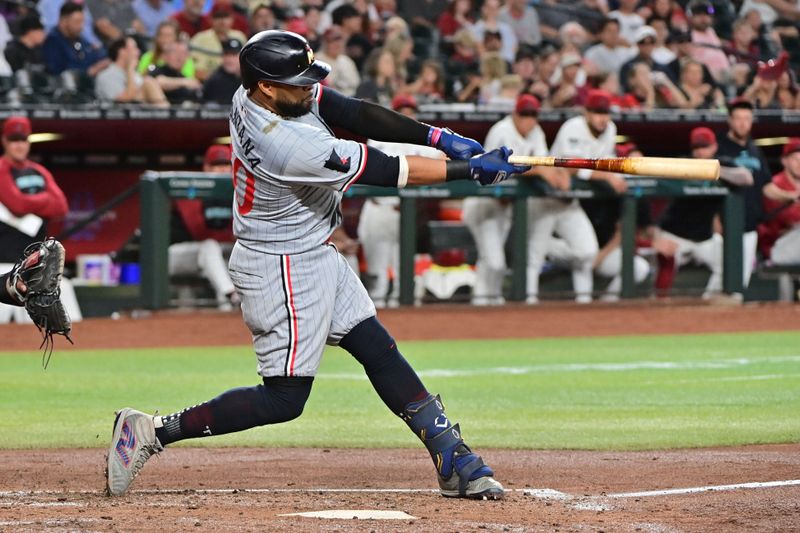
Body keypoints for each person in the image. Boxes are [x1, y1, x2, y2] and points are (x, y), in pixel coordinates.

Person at [106, 29, 529, 500]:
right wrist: (469, 170)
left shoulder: (259, 92)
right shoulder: (286, 143)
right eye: (299, 81)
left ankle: (453, 457)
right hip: (280, 265)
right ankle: (151, 431)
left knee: (378, 348)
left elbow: (350, 110)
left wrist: (439, 136)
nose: (309, 88)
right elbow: (390, 170)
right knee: (285, 399)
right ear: (266, 85)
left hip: (311, 249)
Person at [527, 90, 627, 304]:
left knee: (586, 252)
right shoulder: (572, 128)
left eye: (605, 112)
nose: (602, 118)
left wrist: (611, 175)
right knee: (533, 258)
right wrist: (607, 177)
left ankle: (584, 306)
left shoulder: (610, 129)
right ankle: (528, 306)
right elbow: (571, 167)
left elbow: (606, 163)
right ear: (586, 112)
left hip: (568, 202)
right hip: (546, 197)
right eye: (597, 112)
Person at [462, 93, 557, 305]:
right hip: (483, 203)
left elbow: (542, 163)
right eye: (525, 114)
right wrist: (540, 172)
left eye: (533, 115)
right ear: (515, 114)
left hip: (503, 206)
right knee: (494, 263)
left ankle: (489, 306)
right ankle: (482, 306)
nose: (529, 120)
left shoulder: (536, 132)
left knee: (492, 263)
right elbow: (496, 168)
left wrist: (544, 172)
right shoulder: (501, 131)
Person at [358, 94, 443, 308]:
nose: (407, 115)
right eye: (402, 111)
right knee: (377, 276)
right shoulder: (377, 136)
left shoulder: (423, 139)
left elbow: (443, 160)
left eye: (410, 111)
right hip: (378, 210)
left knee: (403, 277)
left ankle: (406, 329)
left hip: (403, 213)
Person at [655, 126, 754, 298]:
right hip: (674, 234)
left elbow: (746, 178)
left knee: (730, 264)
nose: (700, 152)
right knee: (663, 268)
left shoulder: (721, 164)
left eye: (704, 147)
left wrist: (713, 171)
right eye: (697, 148)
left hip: (704, 238)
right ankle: (656, 307)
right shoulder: (683, 163)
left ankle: (709, 302)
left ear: (714, 146)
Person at [0, 117, 82, 324]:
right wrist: (44, 200)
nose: (19, 145)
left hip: (36, 261)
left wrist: (31, 202)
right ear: (4, 141)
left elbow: (61, 206)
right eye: (14, 140)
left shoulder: (39, 171)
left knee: (54, 322)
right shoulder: (2, 168)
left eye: (23, 139)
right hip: (4, 261)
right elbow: (15, 204)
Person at [168, 143, 240, 311]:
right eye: (216, 165)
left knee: (231, 254)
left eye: (226, 164)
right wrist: (228, 235)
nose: (222, 169)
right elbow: (198, 231)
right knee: (209, 246)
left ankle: (227, 305)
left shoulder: (236, 192)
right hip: (174, 255)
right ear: (206, 167)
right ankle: (231, 295)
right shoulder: (192, 189)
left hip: (213, 256)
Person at [715, 98, 772, 292]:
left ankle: (729, 318)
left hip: (749, 224)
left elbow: (766, 185)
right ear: (730, 120)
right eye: (738, 118)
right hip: (725, 223)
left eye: (747, 118)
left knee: (742, 278)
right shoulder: (719, 147)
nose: (742, 123)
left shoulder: (755, 150)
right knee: (722, 273)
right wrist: (715, 220)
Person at [759, 138, 800, 266]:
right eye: (795, 159)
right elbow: (787, 220)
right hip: (776, 247)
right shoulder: (775, 186)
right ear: (784, 161)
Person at [95, 36, 169, 105]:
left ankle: (168, 115)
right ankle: (169, 115)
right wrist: (130, 70)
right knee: (148, 82)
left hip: (140, 114)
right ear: (122, 51)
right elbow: (123, 101)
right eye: (134, 48)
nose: (138, 52)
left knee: (150, 81)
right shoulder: (106, 76)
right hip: (116, 115)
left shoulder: (135, 74)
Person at [42, 1, 109, 77]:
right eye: (77, 22)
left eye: (82, 22)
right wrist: (88, 71)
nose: (81, 27)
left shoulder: (78, 39)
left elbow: (93, 55)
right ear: (64, 21)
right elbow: (57, 70)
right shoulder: (53, 41)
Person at [189, 2, 247, 81]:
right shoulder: (199, 40)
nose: (222, 21)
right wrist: (220, 80)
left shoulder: (240, 37)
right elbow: (195, 72)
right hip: (206, 84)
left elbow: (246, 67)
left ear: (232, 19)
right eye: (218, 17)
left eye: (225, 16)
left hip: (236, 82)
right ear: (210, 19)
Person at [202, 37, 242, 104]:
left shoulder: (248, 79)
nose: (230, 60)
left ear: (241, 57)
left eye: (234, 55)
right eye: (226, 54)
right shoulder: (215, 81)